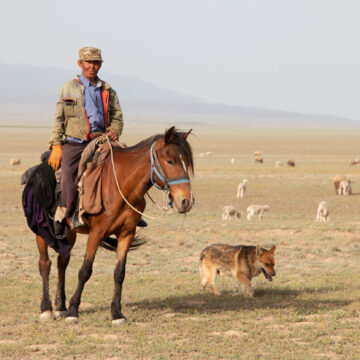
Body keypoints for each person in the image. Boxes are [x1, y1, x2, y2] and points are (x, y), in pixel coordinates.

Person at [48, 47, 146, 228]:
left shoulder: (108, 89)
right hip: (76, 142)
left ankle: (131, 209)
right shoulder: (68, 88)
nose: (92, 66)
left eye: (96, 63)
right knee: (69, 174)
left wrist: (115, 130)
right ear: (80, 63)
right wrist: (56, 145)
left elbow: (117, 116)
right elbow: (58, 118)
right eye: (88, 62)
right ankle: (69, 214)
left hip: (102, 140)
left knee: (128, 166)